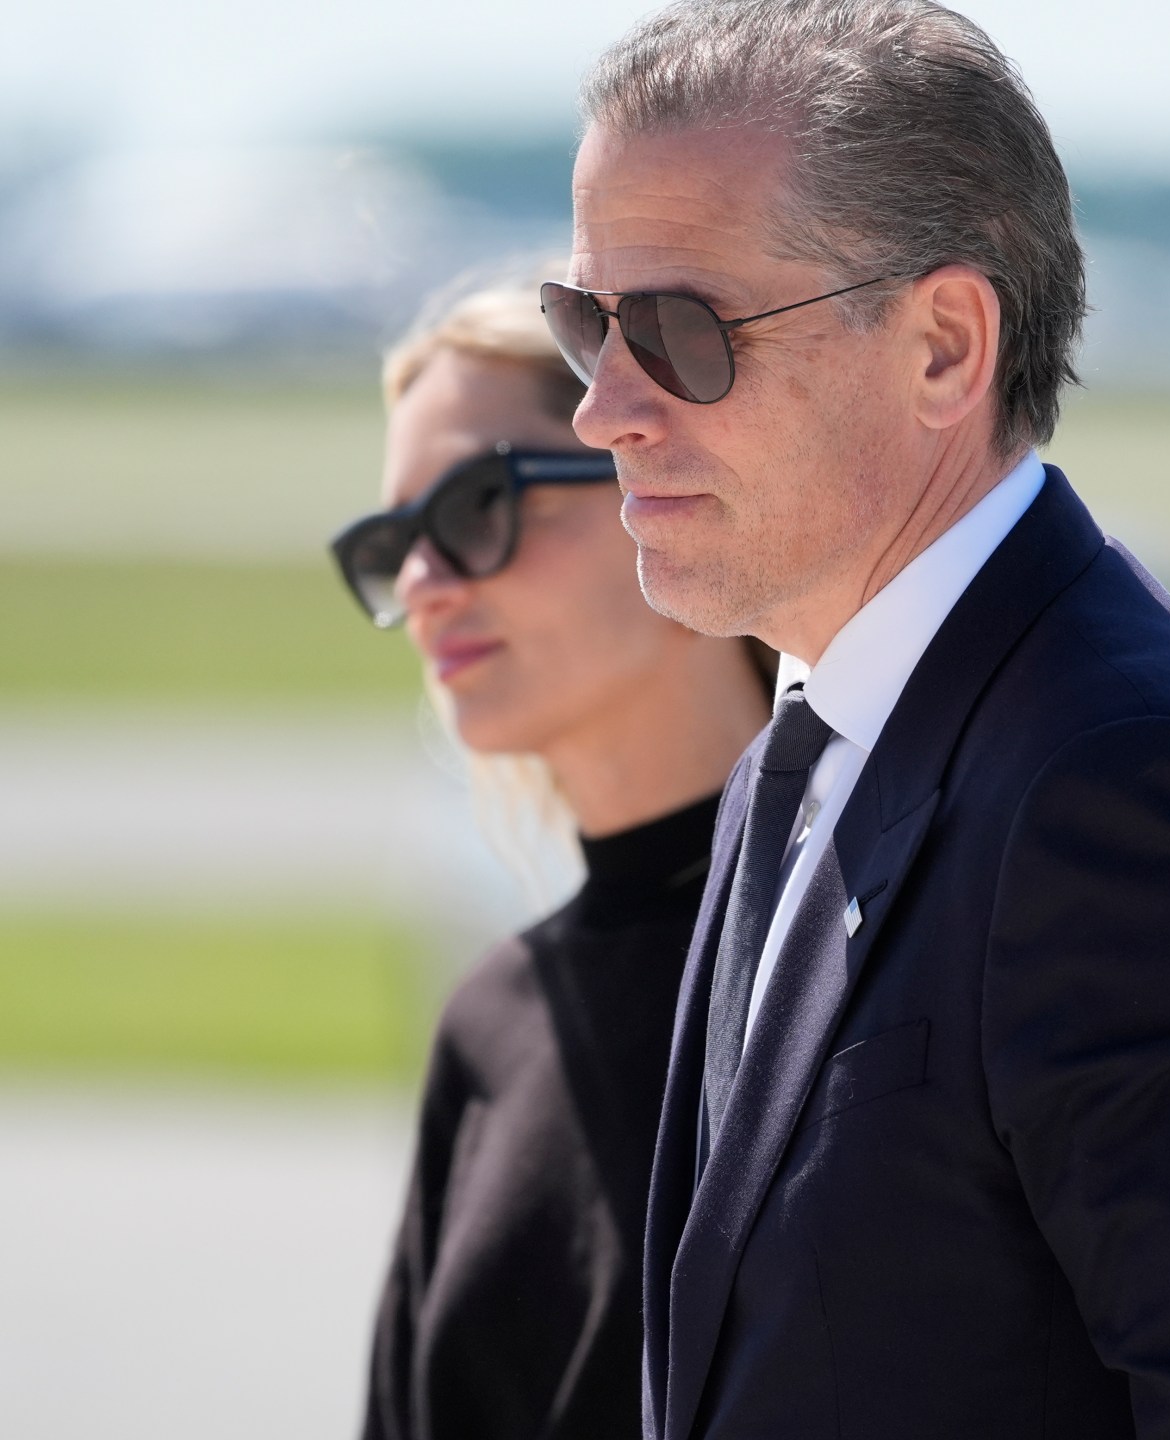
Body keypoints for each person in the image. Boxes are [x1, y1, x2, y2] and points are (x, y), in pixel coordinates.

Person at [543, 4, 1170, 1436]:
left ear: (945, 346)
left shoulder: (1125, 797)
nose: (604, 410)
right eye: (586, 324)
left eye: (678, 331)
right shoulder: (809, 740)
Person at [341, 276, 774, 1440]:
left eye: (480, 502)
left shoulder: (864, 954)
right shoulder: (491, 1023)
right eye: (391, 544)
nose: (425, 585)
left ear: (662, 481)